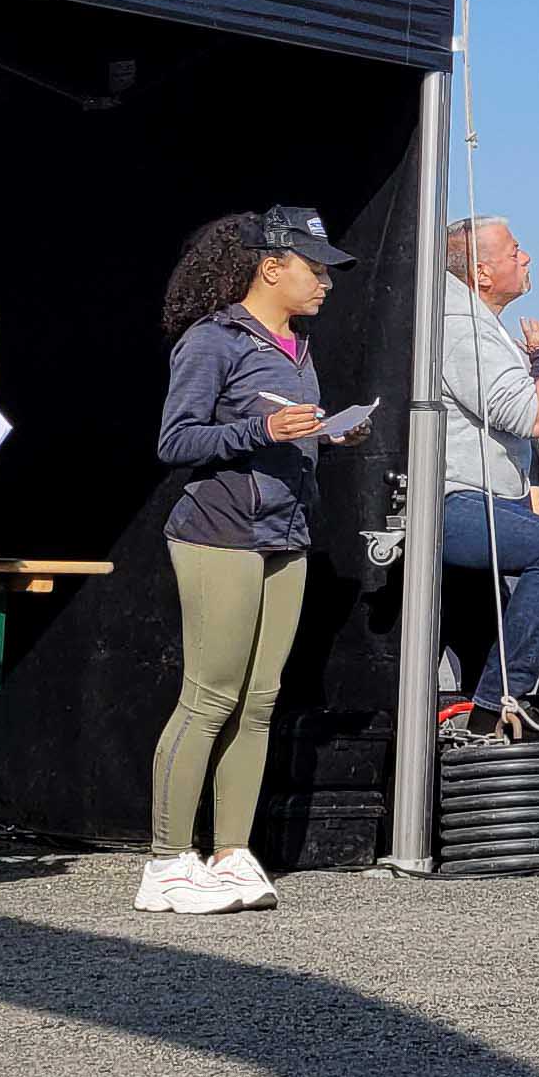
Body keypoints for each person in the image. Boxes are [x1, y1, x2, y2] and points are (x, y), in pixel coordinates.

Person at [144, 205, 359, 919]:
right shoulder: (214, 340)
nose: (326, 281)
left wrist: (324, 436)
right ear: (272, 266)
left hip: (285, 535)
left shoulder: (299, 345)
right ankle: (167, 862)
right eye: (315, 266)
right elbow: (175, 442)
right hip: (218, 532)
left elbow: (280, 439)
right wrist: (261, 428)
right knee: (209, 697)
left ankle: (231, 852)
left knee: (260, 700)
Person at [436, 215, 539, 739]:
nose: (526, 258)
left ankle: (488, 716)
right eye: (515, 250)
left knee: (487, 631)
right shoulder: (462, 326)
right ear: (481, 271)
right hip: (459, 500)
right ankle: (504, 701)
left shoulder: (478, 322)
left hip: (489, 498)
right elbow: (531, 417)